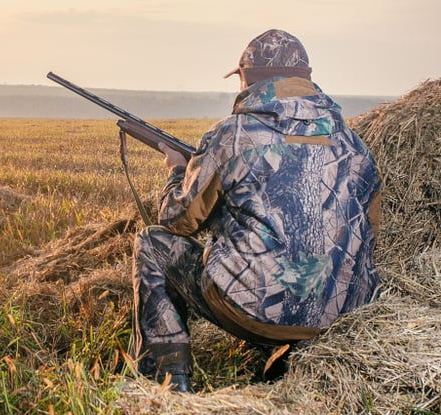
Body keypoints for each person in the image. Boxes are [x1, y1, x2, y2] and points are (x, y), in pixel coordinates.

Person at [130, 29, 381, 393]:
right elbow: (370, 236)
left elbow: (176, 220)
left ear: (249, 80)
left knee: (152, 245)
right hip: (341, 316)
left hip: (258, 311)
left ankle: (168, 387)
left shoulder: (232, 134)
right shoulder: (354, 144)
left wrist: (177, 171)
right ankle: (296, 358)